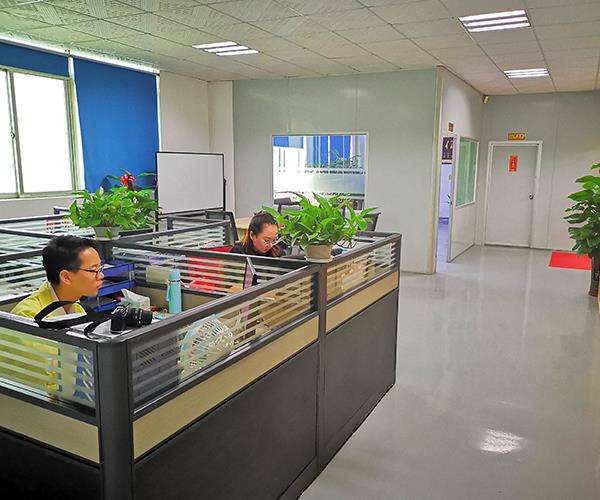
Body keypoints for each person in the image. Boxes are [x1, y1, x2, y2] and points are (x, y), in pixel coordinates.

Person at [11, 235, 104, 319]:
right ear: (66, 277)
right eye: (94, 270)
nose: (101, 276)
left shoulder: (76, 306)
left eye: (100, 268)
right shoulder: (28, 316)